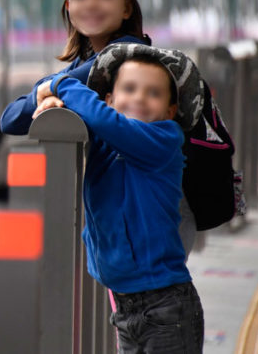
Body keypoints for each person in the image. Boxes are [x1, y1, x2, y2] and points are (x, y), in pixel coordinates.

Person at [0, 0, 199, 253]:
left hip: (151, 220)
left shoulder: (129, 54)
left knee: (152, 296)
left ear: (127, 7)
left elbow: (53, 89)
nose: (90, 4)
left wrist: (52, 87)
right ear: (68, 7)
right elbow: (11, 119)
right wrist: (51, 91)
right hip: (124, 217)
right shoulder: (86, 61)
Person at [33, 44, 205, 353]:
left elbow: (108, 122)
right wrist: (51, 102)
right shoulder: (105, 142)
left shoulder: (163, 139)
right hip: (125, 307)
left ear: (170, 111)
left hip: (166, 306)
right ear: (109, 99)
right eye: (129, 89)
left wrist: (61, 84)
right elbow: (34, 102)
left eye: (153, 93)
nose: (139, 98)